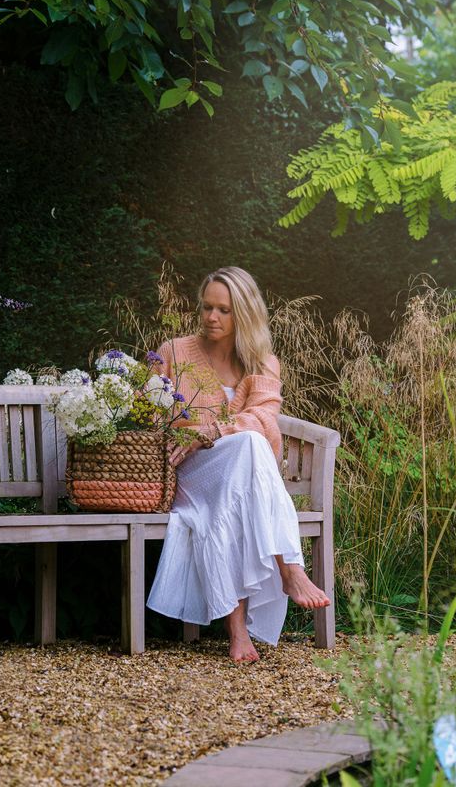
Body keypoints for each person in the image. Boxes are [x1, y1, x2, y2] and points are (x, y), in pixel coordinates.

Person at [146, 266, 330, 662]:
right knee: (248, 446)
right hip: (188, 471)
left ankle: (237, 630)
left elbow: (265, 418)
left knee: (245, 458)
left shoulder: (262, 362)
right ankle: (289, 567)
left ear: (243, 314)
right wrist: (200, 431)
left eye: (223, 310)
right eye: (207, 307)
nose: (212, 317)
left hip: (240, 475)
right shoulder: (173, 352)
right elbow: (154, 417)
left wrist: (211, 429)